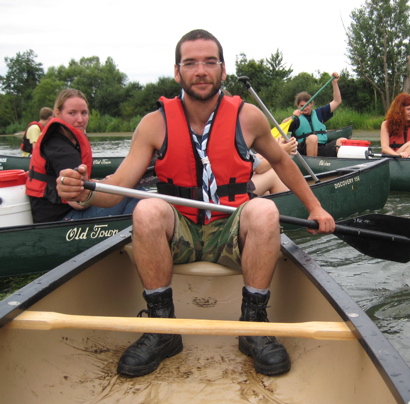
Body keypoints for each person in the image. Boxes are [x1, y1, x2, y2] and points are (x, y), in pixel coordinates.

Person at [57, 29, 335, 378]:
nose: (200, 71)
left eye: (209, 62)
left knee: (265, 210)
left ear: (223, 69)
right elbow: (117, 190)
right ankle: (163, 329)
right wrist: (82, 191)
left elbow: (281, 161)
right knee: (147, 208)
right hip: (181, 234)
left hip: (231, 230)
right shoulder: (153, 124)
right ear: (177, 72)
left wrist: (315, 207)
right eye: (190, 63)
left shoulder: (248, 117)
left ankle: (253, 326)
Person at [25, 89, 139, 223]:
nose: (80, 119)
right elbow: (79, 203)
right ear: (57, 114)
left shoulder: (64, 140)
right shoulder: (60, 148)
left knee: (126, 190)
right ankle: (128, 232)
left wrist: (101, 183)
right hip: (60, 220)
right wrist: (106, 184)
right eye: (72, 113)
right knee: (134, 193)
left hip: (61, 213)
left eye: (84, 113)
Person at [284, 72, 345, 157]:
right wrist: (292, 117)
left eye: (307, 105)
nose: (305, 108)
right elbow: (282, 126)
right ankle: (312, 163)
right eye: (301, 106)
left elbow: (337, 101)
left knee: (342, 140)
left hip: (321, 147)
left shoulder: (320, 112)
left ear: (311, 104)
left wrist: (334, 83)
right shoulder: (296, 118)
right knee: (313, 138)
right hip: (303, 150)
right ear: (298, 106)